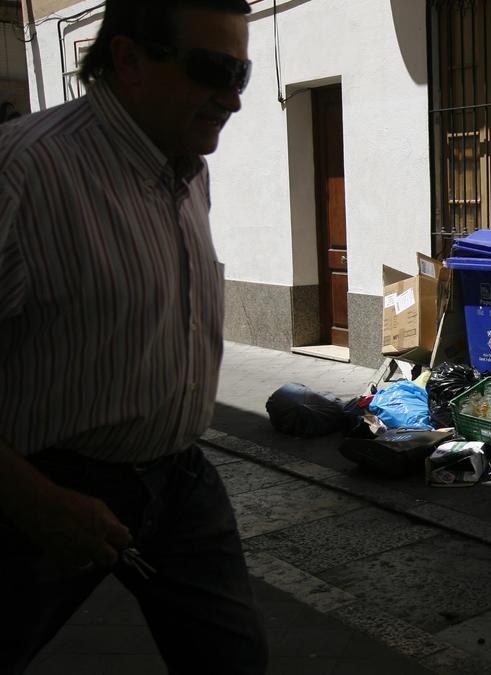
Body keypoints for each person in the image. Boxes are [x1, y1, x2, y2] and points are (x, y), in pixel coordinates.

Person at [0, 1, 266, 673]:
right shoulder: (23, 175)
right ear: (128, 59)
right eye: (213, 69)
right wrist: (29, 498)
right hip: (44, 490)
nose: (232, 98)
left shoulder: (189, 169)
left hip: (179, 482)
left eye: (243, 72)